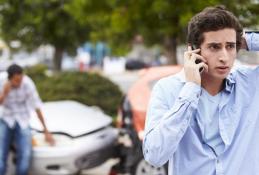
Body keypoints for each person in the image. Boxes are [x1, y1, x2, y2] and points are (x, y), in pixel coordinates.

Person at [143, 6, 259, 175]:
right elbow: (154, 156)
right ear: (192, 50)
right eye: (214, 47)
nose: (224, 57)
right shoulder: (167, 89)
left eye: (230, 46)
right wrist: (190, 90)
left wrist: (245, 40)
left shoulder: (251, 83)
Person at [0, 64, 55, 175]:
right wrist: (4, 93)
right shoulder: (2, 81)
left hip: (23, 120)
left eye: (21, 79)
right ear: (9, 78)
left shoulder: (27, 83)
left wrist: (46, 130)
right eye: (16, 80)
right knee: (1, 155)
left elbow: (36, 107)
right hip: (7, 118)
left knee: (25, 155)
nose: (19, 83)